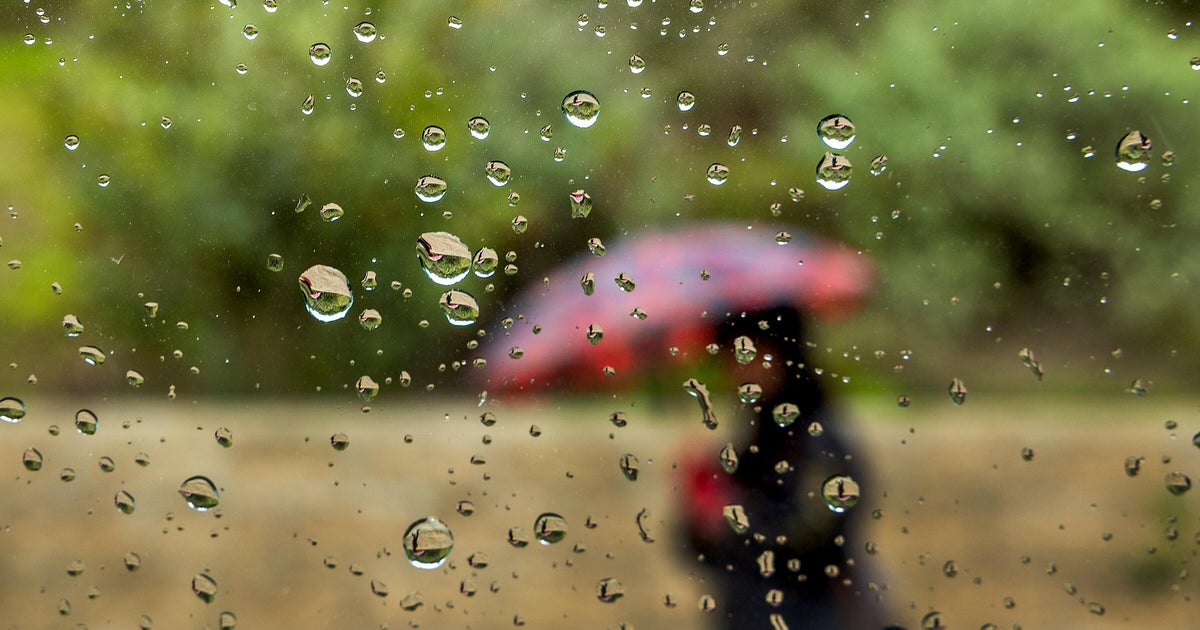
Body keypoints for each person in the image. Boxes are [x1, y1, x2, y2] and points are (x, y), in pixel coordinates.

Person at [680, 306, 887, 629]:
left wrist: (735, 515)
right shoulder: (750, 442)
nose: (739, 371)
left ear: (783, 354)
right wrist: (700, 510)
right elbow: (712, 557)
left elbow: (814, 534)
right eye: (730, 358)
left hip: (814, 615)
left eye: (749, 355)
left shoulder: (819, 437)